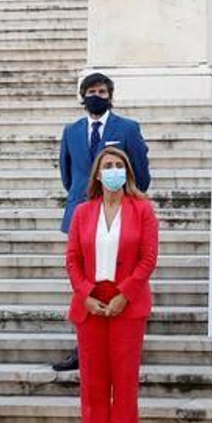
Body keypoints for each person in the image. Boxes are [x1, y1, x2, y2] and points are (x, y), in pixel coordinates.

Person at [66, 145, 160, 423]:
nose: (113, 170)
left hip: (127, 303)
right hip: (91, 303)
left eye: (118, 165)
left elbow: (148, 259)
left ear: (127, 172)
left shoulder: (142, 210)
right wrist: (86, 293)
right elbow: (72, 259)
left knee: (123, 386)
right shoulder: (82, 212)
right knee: (92, 386)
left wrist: (125, 294)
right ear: (97, 173)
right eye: (107, 165)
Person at [54, 72, 150, 372]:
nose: (97, 95)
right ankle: (82, 348)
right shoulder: (71, 130)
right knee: (82, 279)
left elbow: (142, 174)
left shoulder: (128, 128)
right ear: (83, 96)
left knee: (119, 272)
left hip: (119, 212)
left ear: (110, 96)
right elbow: (67, 175)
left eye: (103, 91)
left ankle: (123, 341)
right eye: (92, 91)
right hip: (81, 213)